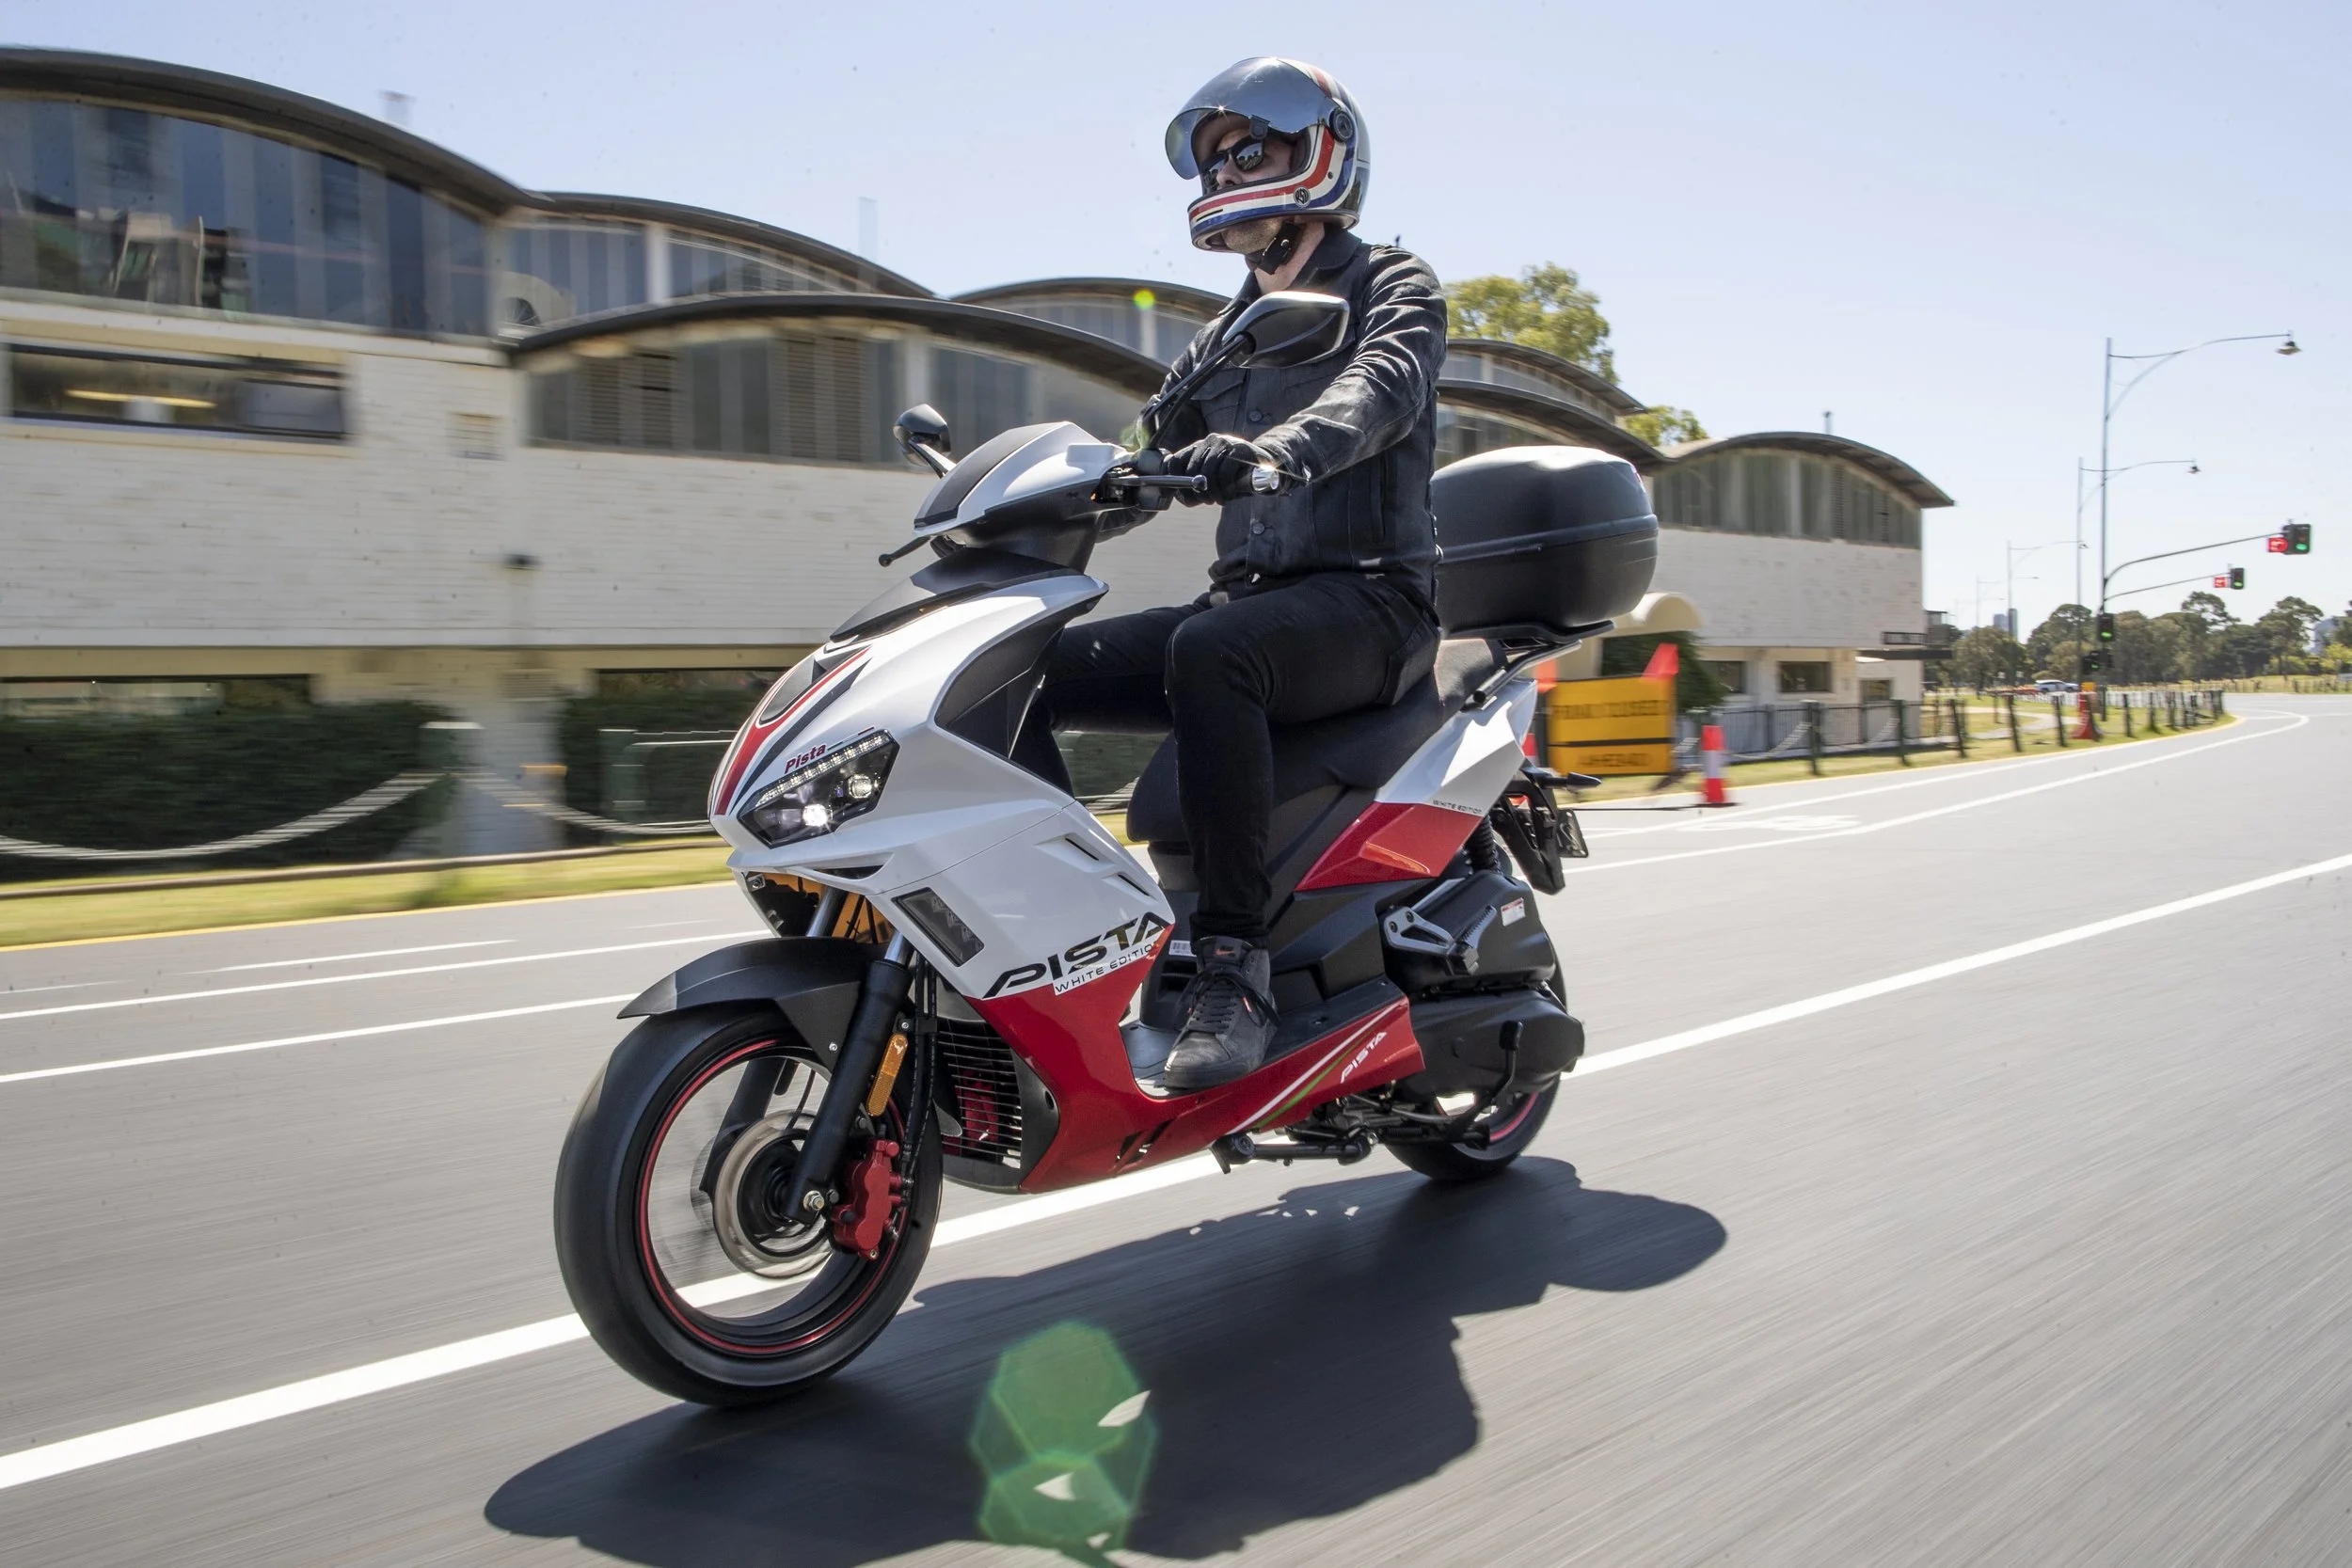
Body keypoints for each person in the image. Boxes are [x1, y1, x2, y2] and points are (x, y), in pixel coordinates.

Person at [1031, 57, 1447, 1090]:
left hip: (1371, 603)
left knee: (1213, 649)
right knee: (1025, 669)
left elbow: (1379, 389)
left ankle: (1233, 972)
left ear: (1320, 151)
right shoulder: (1225, 338)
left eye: (1247, 149)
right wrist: (1048, 499)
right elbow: (1144, 449)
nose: (1224, 173)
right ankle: (1059, 933)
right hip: (1258, 609)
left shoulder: (1392, 285)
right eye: (1214, 161)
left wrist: (1275, 452)